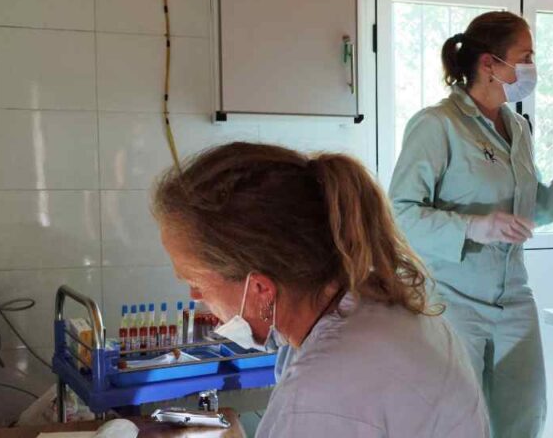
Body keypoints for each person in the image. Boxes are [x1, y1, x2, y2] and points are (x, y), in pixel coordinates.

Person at [152, 142, 489, 437]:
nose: (195, 298)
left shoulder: (323, 389)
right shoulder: (373, 305)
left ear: (260, 289)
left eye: (194, 282)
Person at [388, 11, 553, 437]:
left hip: (512, 296)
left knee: (523, 416)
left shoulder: (518, 127)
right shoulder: (437, 125)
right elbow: (400, 214)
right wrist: (474, 227)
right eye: (524, 56)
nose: (531, 68)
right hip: (451, 298)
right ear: (489, 63)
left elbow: (531, 210)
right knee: (454, 420)